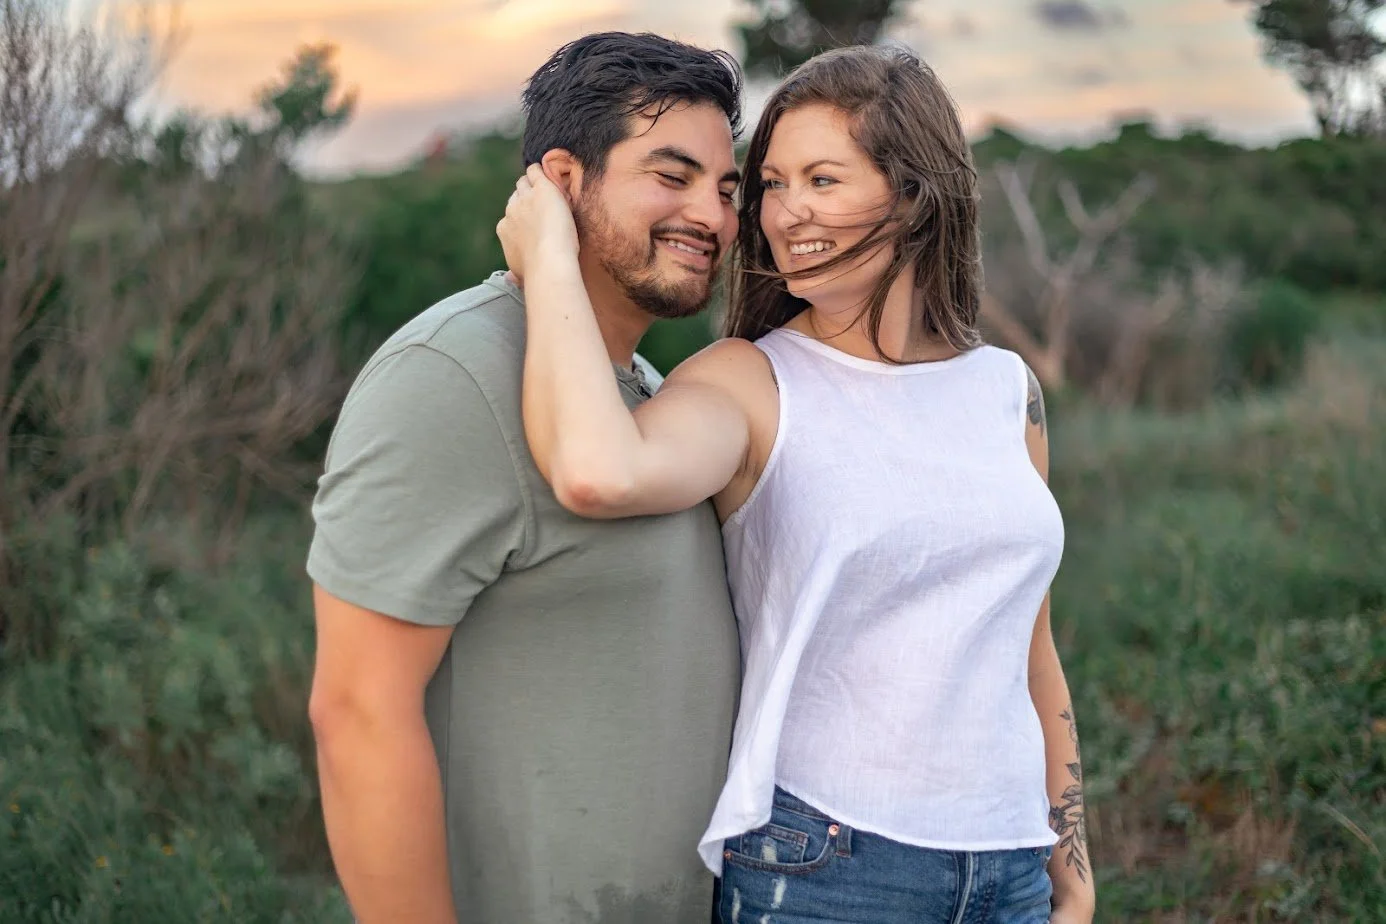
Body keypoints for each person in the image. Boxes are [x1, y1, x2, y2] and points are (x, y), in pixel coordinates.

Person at [499, 45, 1097, 924]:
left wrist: (1070, 849)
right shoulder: (750, 381)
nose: (785, 214)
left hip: (1009, 864)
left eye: (822, 179)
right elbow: (598, 471)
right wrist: (550, 252)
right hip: (827, 865)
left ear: (914, 194)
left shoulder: (1008, 390)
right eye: (771, 185)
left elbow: (1030, 645)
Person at [306, 32, 745, 924]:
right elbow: (356, 712)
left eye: (728, 188)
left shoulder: (650, 397)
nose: (713, 213)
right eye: (672, 174)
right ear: (562, 181)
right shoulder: (452, 372)